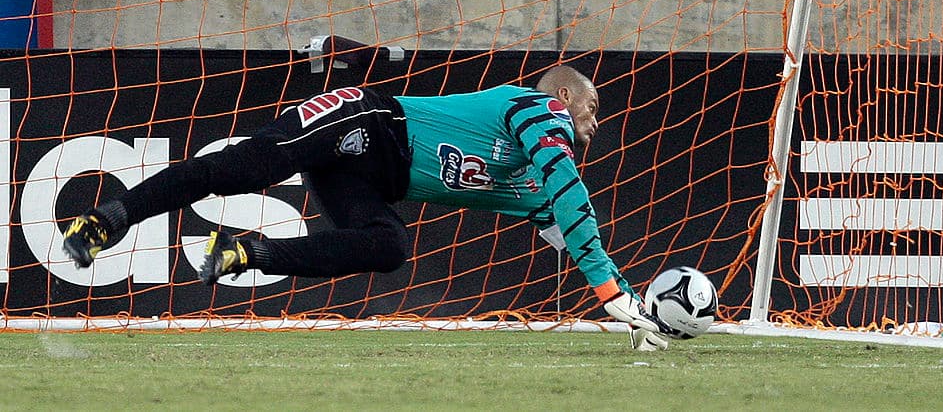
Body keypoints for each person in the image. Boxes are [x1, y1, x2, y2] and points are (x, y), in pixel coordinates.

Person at [60, 65, 671, 350]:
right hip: (369, 120)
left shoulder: (530, 183)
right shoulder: (535, 110)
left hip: (374, 180)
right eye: (592, 107)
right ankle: (112, 217)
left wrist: (630, 303)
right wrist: (609, 295)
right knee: (248, 166)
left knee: (389, 246)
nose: (596, 121)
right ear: (564, 97)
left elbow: (567, 226)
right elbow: (570, 191)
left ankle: (249, 250)